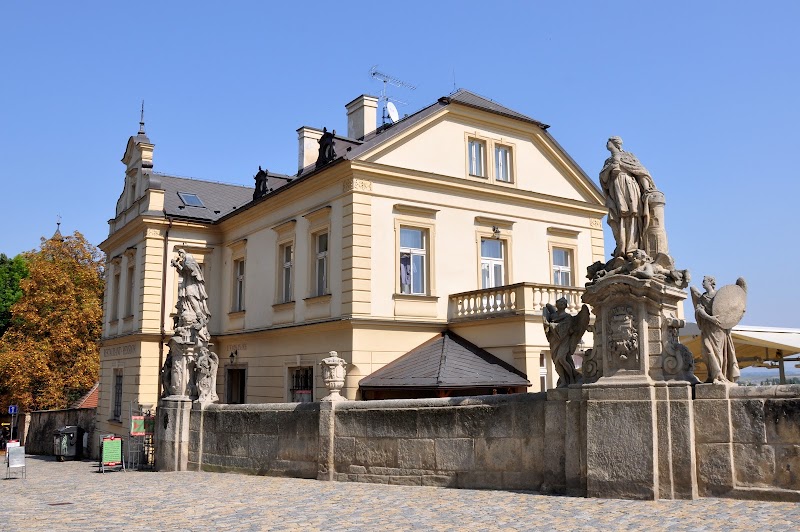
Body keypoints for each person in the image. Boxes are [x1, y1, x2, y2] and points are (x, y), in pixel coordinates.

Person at [599, 137, 655, 258]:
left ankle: (632, 247)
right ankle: (621, 246)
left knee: (633, 215)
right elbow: (603, 179)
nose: (606, 144)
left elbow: (641, 173)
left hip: (629, 186)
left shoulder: (628, 156)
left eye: (608, 142)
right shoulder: (608, 161)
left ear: (615, 143)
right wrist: (611, 167)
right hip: (615, 190)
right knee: (618, 217)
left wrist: (646, 189)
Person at [691, 276, 740, 383]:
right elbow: (699, 310)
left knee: (718, 353)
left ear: (710, 282)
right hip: (707, 328)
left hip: (718, 329)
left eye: (704, 281)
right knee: (707, 351)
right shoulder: (703, 297)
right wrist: (710, 318)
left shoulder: (719, 295)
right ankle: (712, 374)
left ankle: (718, 376)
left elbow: (729, 309)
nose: (702, 283)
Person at [542, 298, 590, 387]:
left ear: (566, 305)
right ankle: (563, 380)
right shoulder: (553, 316)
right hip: (554, 341)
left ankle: (571, 377)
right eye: (560, 302)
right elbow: (547, 326)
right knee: (557, 362)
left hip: (564, 341)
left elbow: (563, 328)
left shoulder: (568, 317)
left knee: (561, 359)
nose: (561, 304)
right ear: (556, 304)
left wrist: (551, 325)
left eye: (563, 303)